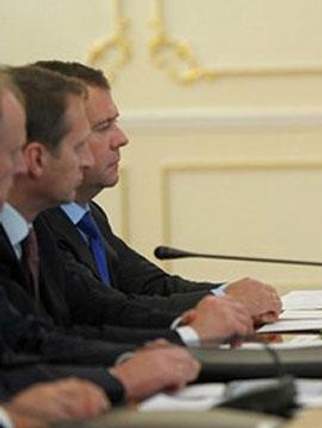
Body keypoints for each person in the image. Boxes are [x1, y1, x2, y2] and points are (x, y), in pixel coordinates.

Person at [1, 65, 254, 348]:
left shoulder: (64, 221)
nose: (121, 139)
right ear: (36, 158)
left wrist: (222, 305)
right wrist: (193, 330)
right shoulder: (41, 225)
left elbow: (140, 287)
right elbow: (84, 317)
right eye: (82, 142)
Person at [0, 68, 199, 417]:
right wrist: (124, 376)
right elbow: (30, 348)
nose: (19, 169)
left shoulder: (37, 228)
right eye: (80, 145)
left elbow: (42, 335)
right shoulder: (42, 224)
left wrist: (182, 338)